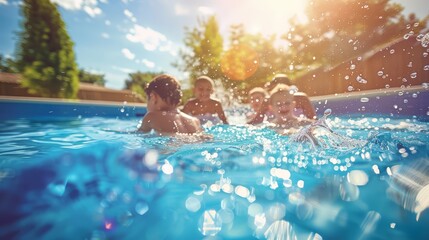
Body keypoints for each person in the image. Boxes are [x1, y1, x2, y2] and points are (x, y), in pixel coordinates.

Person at [138, 74, 202, 135]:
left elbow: (139, 133)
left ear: (153, 97)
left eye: (147, 100)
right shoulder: (195, 121)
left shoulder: (151, 116)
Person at [247, 73, 316, 125]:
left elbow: (256, 121)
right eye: (278, 104)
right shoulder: (268, 100)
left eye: (287, 103)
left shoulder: (301, 98)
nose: (283, 106)